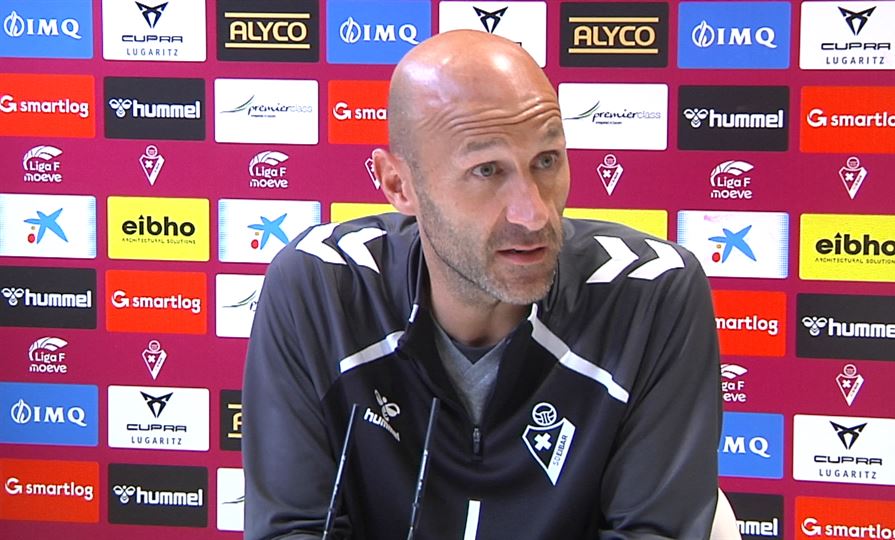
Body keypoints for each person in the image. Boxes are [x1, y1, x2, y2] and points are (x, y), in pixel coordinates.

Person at [243, 30, 721, 539]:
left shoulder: (651, 292)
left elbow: (653, 531)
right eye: (487, 170)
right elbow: (291, 530)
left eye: (547, 161)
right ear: (398, 185)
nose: (534, 214)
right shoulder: (322, 286)